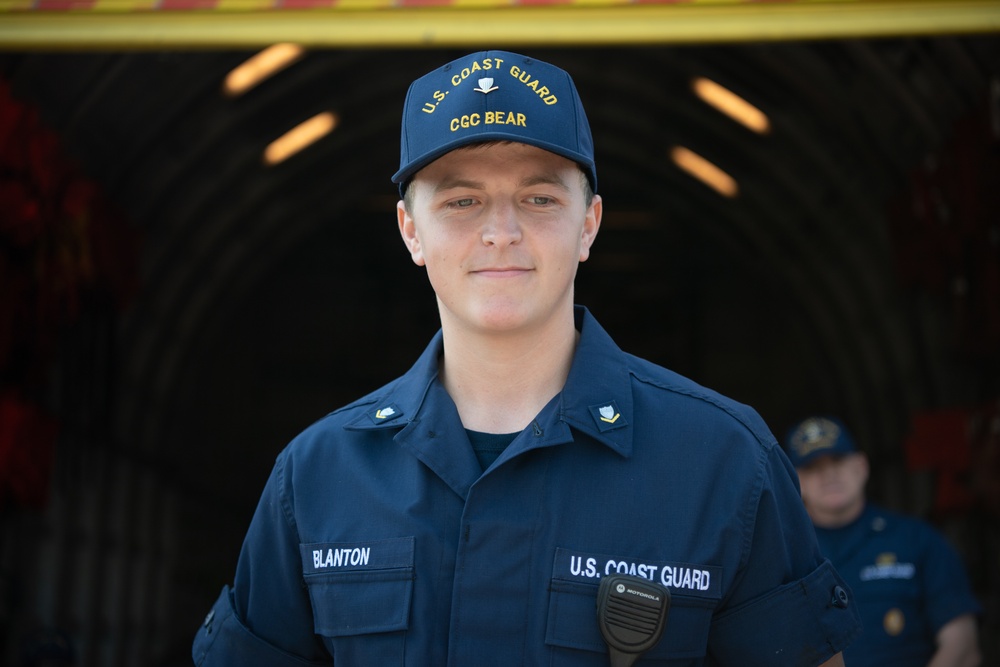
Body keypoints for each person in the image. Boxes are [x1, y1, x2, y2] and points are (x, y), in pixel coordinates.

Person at [192, 50, 860, 666]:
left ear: (590, 224)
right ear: (410, 231)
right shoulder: (317, 476)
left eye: (539, 198)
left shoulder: (724, 462)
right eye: (462, 200)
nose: (501, 232)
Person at [784, 415, 982, 667]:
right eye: (812, 467)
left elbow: (962, 644)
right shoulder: (783, 556)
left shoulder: (918, 539)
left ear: (861, 466)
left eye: (838, 459)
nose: (829, 474)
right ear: (794, 481)